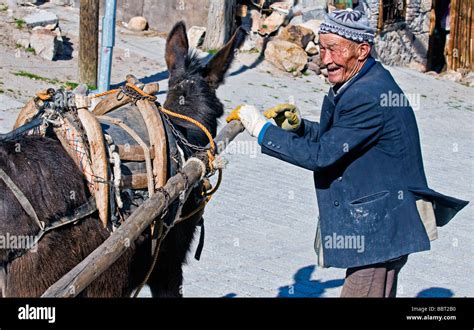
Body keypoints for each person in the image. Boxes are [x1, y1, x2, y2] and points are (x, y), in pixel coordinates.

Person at [227, 9, 468, 297]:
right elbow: (342, 140)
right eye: (321, 48)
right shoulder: (364, 81)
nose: (324, 60)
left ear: (362, 50)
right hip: (384, 225)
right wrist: (300, 128)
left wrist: (262, 129)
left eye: (333, 49)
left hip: (378, 230)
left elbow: (322, 156)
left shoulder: (366, 95)